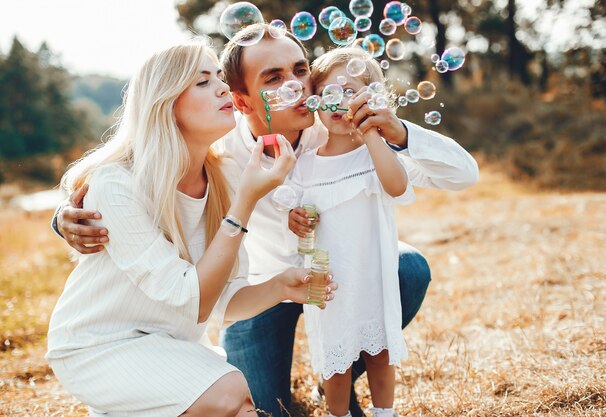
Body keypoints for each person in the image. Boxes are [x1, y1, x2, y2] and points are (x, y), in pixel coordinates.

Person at [54, 23, 478, 416]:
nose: (294, 86)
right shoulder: (220, 156)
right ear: (241, 102)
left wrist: (400, 132)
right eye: (273, 78)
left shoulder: (344, 131)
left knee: (408, 267)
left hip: (334, 283)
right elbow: (139, 174)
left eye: (300, 70)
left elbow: (462, 175)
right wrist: (65, 219)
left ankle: (339, 372)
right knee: (259, 404)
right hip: (257, 298)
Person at [45, 40, 337, 417]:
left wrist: (280, 285)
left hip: (170, 343)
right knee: (231, 391)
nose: (222, 88)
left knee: (244, 408)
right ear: (165, 103)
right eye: (202, 82)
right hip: (98, 345)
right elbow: (190, 299)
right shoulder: (117, 183)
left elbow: (224, 298)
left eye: (219, 77)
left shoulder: (226, 173)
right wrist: (245, 203)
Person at [287, 47, 420, 417]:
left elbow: (396, 185)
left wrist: (371, 135)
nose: (340, 101)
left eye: (351, 92)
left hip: (370, 270)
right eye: (330, 92)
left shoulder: (373, 154)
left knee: (380, 352)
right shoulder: (305, 164)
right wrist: (294, 220)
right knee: (336, 357)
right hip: (327, 275)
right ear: (315, 101)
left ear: (370, 100)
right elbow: (298, 216)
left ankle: (384, 412)